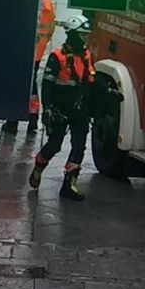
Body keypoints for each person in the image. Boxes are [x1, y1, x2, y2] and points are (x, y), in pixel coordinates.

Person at [30, 21, 96, 201]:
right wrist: (48, 109)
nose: (85, 38)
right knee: (55, 144)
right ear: (72, 34)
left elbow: (91, 80)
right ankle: (39, 164)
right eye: (82, 34)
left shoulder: (86, 55)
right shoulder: (57, 56)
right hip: (60, 108)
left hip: (79, 109)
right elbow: (47, 85)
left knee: (79, 145)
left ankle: (69, 185)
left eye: (86, 35)